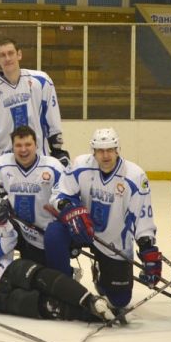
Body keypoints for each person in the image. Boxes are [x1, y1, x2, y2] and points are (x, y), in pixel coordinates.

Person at [46, 127, 161, 310]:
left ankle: (101, 271)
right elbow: (60, 193)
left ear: (117, 150)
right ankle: (63, 285)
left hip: (113, 241)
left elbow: (142, 216)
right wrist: (69, 208)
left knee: (119, 301)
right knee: (54, 233)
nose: (105, 155)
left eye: (110, 150)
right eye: (100, 151)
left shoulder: (134, 176)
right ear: (94, 151)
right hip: (81, 228)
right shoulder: (80, 165)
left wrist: (148, 248)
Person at [0, 38, 70, 165]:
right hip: (3, 163)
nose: (7, 58)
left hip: (39, 159)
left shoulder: (41, 81)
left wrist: (57, 149)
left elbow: (52, 118)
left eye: (11, 53)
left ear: (19, 54)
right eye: (2, 55)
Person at [0, 125, 66, 265]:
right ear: (12, 147)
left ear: (36, 145)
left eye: (28, 144)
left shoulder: (54, 167)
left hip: (43, 233)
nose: (23, 150)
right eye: (18, 145)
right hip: (12, 228)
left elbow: (65, 196)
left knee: (43, 271)